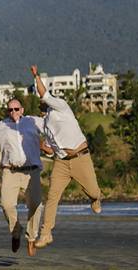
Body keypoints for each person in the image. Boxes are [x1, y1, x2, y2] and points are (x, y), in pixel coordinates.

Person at [31, 65, 103, 249]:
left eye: (43, 100)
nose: (41, 102)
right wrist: (43, 147)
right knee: (52, 196)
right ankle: (46, 233)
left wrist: (36, 76)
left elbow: (44, 94)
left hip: (80, 158)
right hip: (61, 163)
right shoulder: (45, 123)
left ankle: (96, 198)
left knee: (93, 191)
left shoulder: (61, 107)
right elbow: (49, 147)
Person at [0, 99, 45, 257]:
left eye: (16, 109)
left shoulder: (33, 121)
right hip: (10, 171)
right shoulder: (1, 126)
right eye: (10, 110)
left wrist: (48, 146)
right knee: (6, 204)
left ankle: (31, 237)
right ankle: (16, 232)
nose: (13, 112)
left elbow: (51, 129)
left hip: (32, 171)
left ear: (22, 109)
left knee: (36, 205)